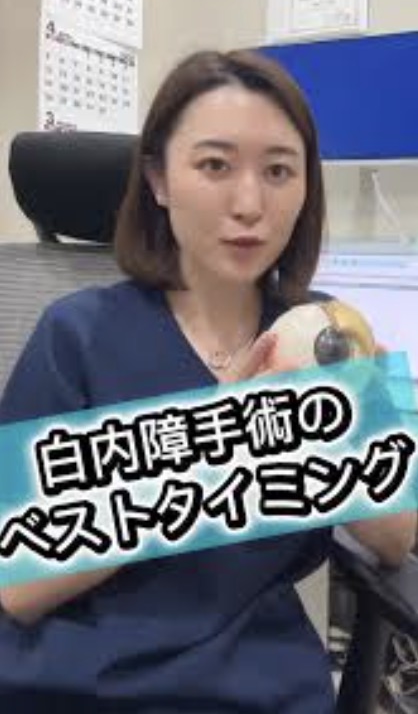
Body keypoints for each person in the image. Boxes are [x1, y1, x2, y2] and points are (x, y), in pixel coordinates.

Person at [0, 48, 415, 714]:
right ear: (159, 180)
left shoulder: (329, 334)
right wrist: (225, 439)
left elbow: (396, 540)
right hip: (83, 688)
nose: (249, 204)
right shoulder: (75, 334)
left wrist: (352, 419)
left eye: (279, 170)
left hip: (259, 689)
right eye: (215, 165)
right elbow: (19, 589)